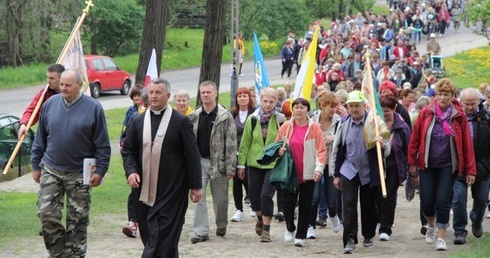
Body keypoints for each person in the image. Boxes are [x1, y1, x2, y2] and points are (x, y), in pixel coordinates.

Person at [31, 69, 111, 258]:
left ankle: (75, 254)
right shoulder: (50, 104)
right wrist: (35, 165)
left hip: (80, 172)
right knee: (46, 214)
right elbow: (40, 138)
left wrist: (100, 170)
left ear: (80, 85)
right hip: (51, 168)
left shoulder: (93, 108)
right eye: (62, 84)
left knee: (78, 219)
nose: (63, 88)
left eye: (68, 85)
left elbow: (103, 144)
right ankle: (59, 253)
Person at [121, 78, 202, 257]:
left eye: (158, 93)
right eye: (151, 92)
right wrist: (131, 171)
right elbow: (128, 151)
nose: (154, 96)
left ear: (168, 95)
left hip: (172, 190)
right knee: (152, 236)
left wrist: (196, 186)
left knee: (163, 236)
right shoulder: (137, 121)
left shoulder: (180, 121)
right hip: (143, 190)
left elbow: (192, 154)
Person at [407, 78, 476, 251]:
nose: (443, 98)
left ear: (453, 96)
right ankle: (431, 225)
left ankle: (441, 237)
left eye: (446, 94)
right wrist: (412, 163)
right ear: (435, 95)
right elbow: (415, 139)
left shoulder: (458, 116)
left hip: (448, 165)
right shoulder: (426, 113)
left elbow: (467, 144)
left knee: (443, 201)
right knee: (427, 201)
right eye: (440, 94)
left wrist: (470, 170)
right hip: (428, 164)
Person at [332, 90, 390, 254]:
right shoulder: (343, 124)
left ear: (364, 106)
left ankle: (368, 235)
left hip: (369, 171)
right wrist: (335, 174)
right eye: (351, 106)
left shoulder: (374, 122)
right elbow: (337, 150)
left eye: (357, 106)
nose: (354, 109)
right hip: (348, 169)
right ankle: (349, 239)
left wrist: (382, 144)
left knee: (369, 205)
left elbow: (388, 149)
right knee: (348, 204)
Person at [189, 81, 237, 243]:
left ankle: (221, 224)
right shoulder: (195, 115)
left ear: (215, 93)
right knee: (198, 196)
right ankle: (201, 231)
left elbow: (231, 142)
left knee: (221, 199)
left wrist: (231, 167)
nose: (206, 95)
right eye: (203, 92)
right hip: (200, 162)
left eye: (209, 92)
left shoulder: (225, 116)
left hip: (219, 163)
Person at [276, 98, 326, 248]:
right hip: (290, 173)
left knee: (306, 204)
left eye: (302, 107)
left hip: (308, 173)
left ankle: (301, 235)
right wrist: (279, 151)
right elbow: (277, 144)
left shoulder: (315, 128)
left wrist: (319, 168)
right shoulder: (286, 126)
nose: (299, 110)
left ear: (308, 110)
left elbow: (321, 150)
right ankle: (289, 227)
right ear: (292, 110)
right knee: (288, 203)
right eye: (296, 107)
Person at [237, 88, 285, 242]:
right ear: (260, 101)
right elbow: (245, 143)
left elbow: (285, 139)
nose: (268, 104)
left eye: (271, 102)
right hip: (254, 163)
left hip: (272, 164)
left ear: (275, 102)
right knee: (255, 197)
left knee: (266, 195)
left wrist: (283, 149)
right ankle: (259, 217)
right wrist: (241, 165)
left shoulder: (281, 119)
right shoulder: (253, 119)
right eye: (265, 101)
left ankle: (266, 229)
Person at [452, 88, 490, 244]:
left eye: (472, 104)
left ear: (479, 101)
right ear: (461, 102)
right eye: (466, 104)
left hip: (482, 166)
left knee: (481, 201)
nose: (469, 107)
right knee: (459, 199)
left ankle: (476, 219)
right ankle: (460, 230)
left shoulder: (487, 118)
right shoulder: (454, 117)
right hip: (460, 166)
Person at [308, 91, 342, 239]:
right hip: (316, 163)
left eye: (335, 106)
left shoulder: (338, 121)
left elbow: (343, 138)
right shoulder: (312, 120)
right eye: (330, 106)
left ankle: (333, 215)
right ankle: (310, 226)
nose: (333, 109)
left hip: (331, 163)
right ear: (322, 106)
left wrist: (334, 137)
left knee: (332, 200)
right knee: (314, 197)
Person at [377, 95, 411, 241]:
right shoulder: (375, 123)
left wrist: (410, 167)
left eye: (387, 111)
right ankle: (377, 220)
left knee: (389, 195)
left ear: (394, 109)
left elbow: (408, 148)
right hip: (377, 164)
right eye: (382, 110)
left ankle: (386, 227)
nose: (384, 113)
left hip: (394, 165)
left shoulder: (402, 126)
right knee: (377, 195)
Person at [119, 84, 145, 238]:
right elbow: (125, 130)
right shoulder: (131, 112)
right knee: (134, 190)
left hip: (149, 158)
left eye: (139, 95)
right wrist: (122, 143)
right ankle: (132, 222)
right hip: (133, 157)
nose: (137, 98)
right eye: (134, 96)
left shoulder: (150, 112)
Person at [18, 64, 65, 140]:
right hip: (48, 137)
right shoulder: (44, 94)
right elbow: (31, 111)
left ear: (61, 79)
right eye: (47, 77)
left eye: (52, 78)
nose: (48, 81)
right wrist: (23, 124)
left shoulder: (71, 94)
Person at [231, 87, 255, 223]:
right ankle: (238, 209)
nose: (242, 98)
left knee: (248, 179)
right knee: (236, 181)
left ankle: (252, 203)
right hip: (235, 152)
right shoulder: (232, 114)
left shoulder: (255, 113)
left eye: (245, 96)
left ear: (249, 98)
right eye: (239, 96)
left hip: (250, 153)